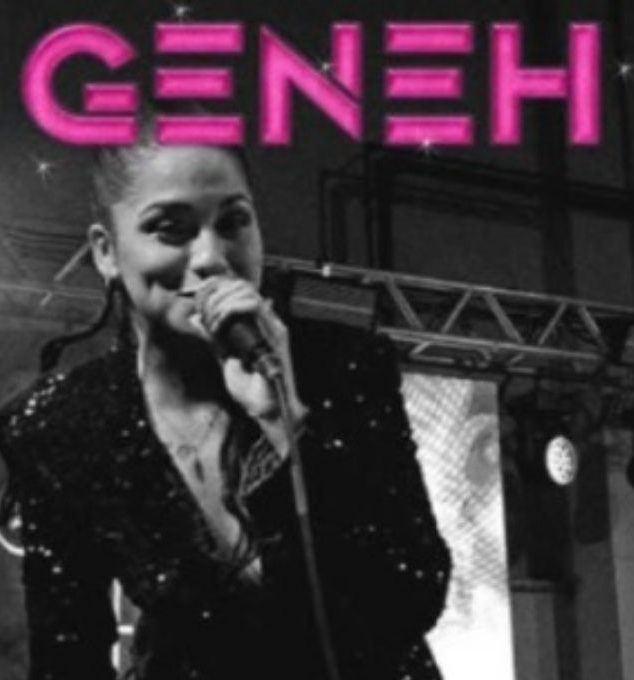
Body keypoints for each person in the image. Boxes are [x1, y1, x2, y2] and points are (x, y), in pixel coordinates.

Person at [0, 132, 451, 680]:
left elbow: (412, 596)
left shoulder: (343, 367)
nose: (212, 258)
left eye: (234, 222)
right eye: (170, 228)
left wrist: (285, 428)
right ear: (106, 251)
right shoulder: (62, 425)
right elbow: (68, 657)